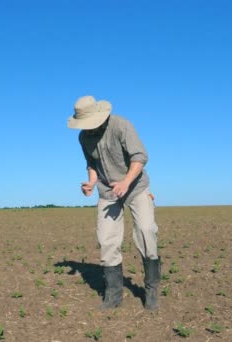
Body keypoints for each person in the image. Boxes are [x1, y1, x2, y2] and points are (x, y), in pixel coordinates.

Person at [67, 95, 161, 311]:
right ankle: (113, 294)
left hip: (136, 187)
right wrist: (91, 183)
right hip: (107, 192)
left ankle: (151, 290)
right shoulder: (84, 138)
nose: (88, 129)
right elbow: (91, 163)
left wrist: (126, 182)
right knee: (107, 240)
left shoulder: (121, 125)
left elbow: (140, 157)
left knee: (146, 231)